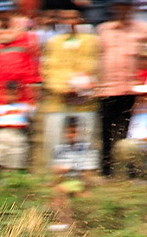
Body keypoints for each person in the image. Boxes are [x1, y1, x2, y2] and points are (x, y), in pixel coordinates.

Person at [96, 0, 147, 176]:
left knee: (130, 131)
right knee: (106, 132)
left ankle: (132, 169)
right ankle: (107, 170)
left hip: (133, 90)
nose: (123, 11)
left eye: (126, 7)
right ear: (114, 9)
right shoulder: (103, 30)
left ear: (132, 9)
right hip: (107, 89)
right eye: (119, 7)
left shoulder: (145, 29)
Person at [40, 8, 99, 164]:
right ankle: (56, 172)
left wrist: (84, 87)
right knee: (55, 139)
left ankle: (85, 171)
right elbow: (47, 70)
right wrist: (63, 88)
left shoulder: (91, 41)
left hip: (85, 101)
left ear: (80, 20)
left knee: (86, 139)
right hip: (58, 100)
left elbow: (96, 66)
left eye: (73, 18)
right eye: (65, 19)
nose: (69, 22)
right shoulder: (53, 42)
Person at [0, 0, 40, 112]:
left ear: (13, 13)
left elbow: (32, 62)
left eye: (7, 12)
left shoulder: (26, 36)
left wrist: (34, 84)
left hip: (22, 89)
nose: (3, 16)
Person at [48, 116, 99, 230]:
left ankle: (66, 223)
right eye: (69, 132)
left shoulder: (86, 148)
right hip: (64, 180)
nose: (71, 135)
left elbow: (88, 172)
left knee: (60, 190)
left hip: (78, 181)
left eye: (74, 132)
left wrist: (85, 188)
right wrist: (57, 172)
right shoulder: (59, 149)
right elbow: (55, 169)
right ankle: (61, 221)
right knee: (55, 191)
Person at [0, 81, 34, 171]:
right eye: (7, 94)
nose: (10, 97)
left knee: (16, 157)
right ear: (2, 94)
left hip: (17, 134)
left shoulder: (24, 107)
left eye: (13, 94)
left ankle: (13, 175)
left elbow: (31, 114)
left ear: (18, 94)